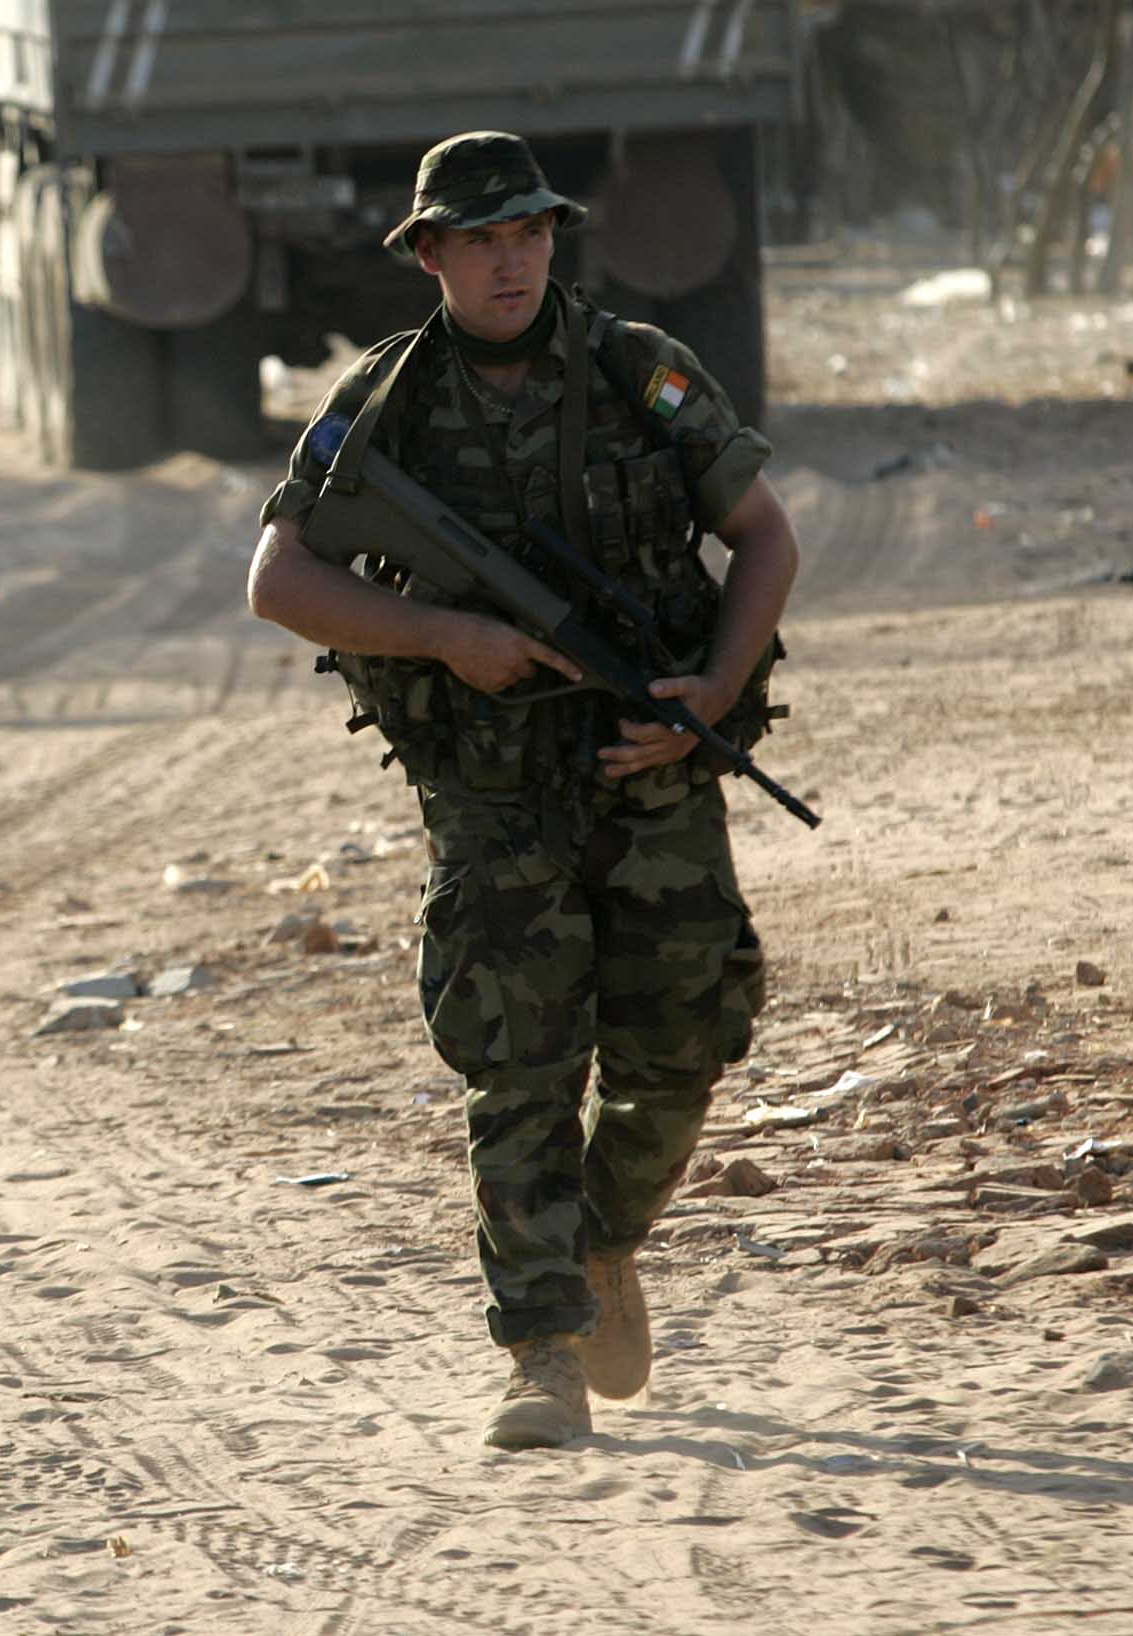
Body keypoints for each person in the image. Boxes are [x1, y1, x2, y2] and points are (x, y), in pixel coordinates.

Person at [246, 131, 799, 1451]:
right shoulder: (387, 400)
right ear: (430, 254)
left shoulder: (637, 369)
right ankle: (539, 1351)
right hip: (494, 792)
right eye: (482, 240)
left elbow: (766, 538)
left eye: (532, 234)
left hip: (650, 768)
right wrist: (447, 637)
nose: (512, 261)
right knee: (521, 1067)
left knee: (685, 1044)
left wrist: (711, 696)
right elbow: (279, 581)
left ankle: (603, 1242)